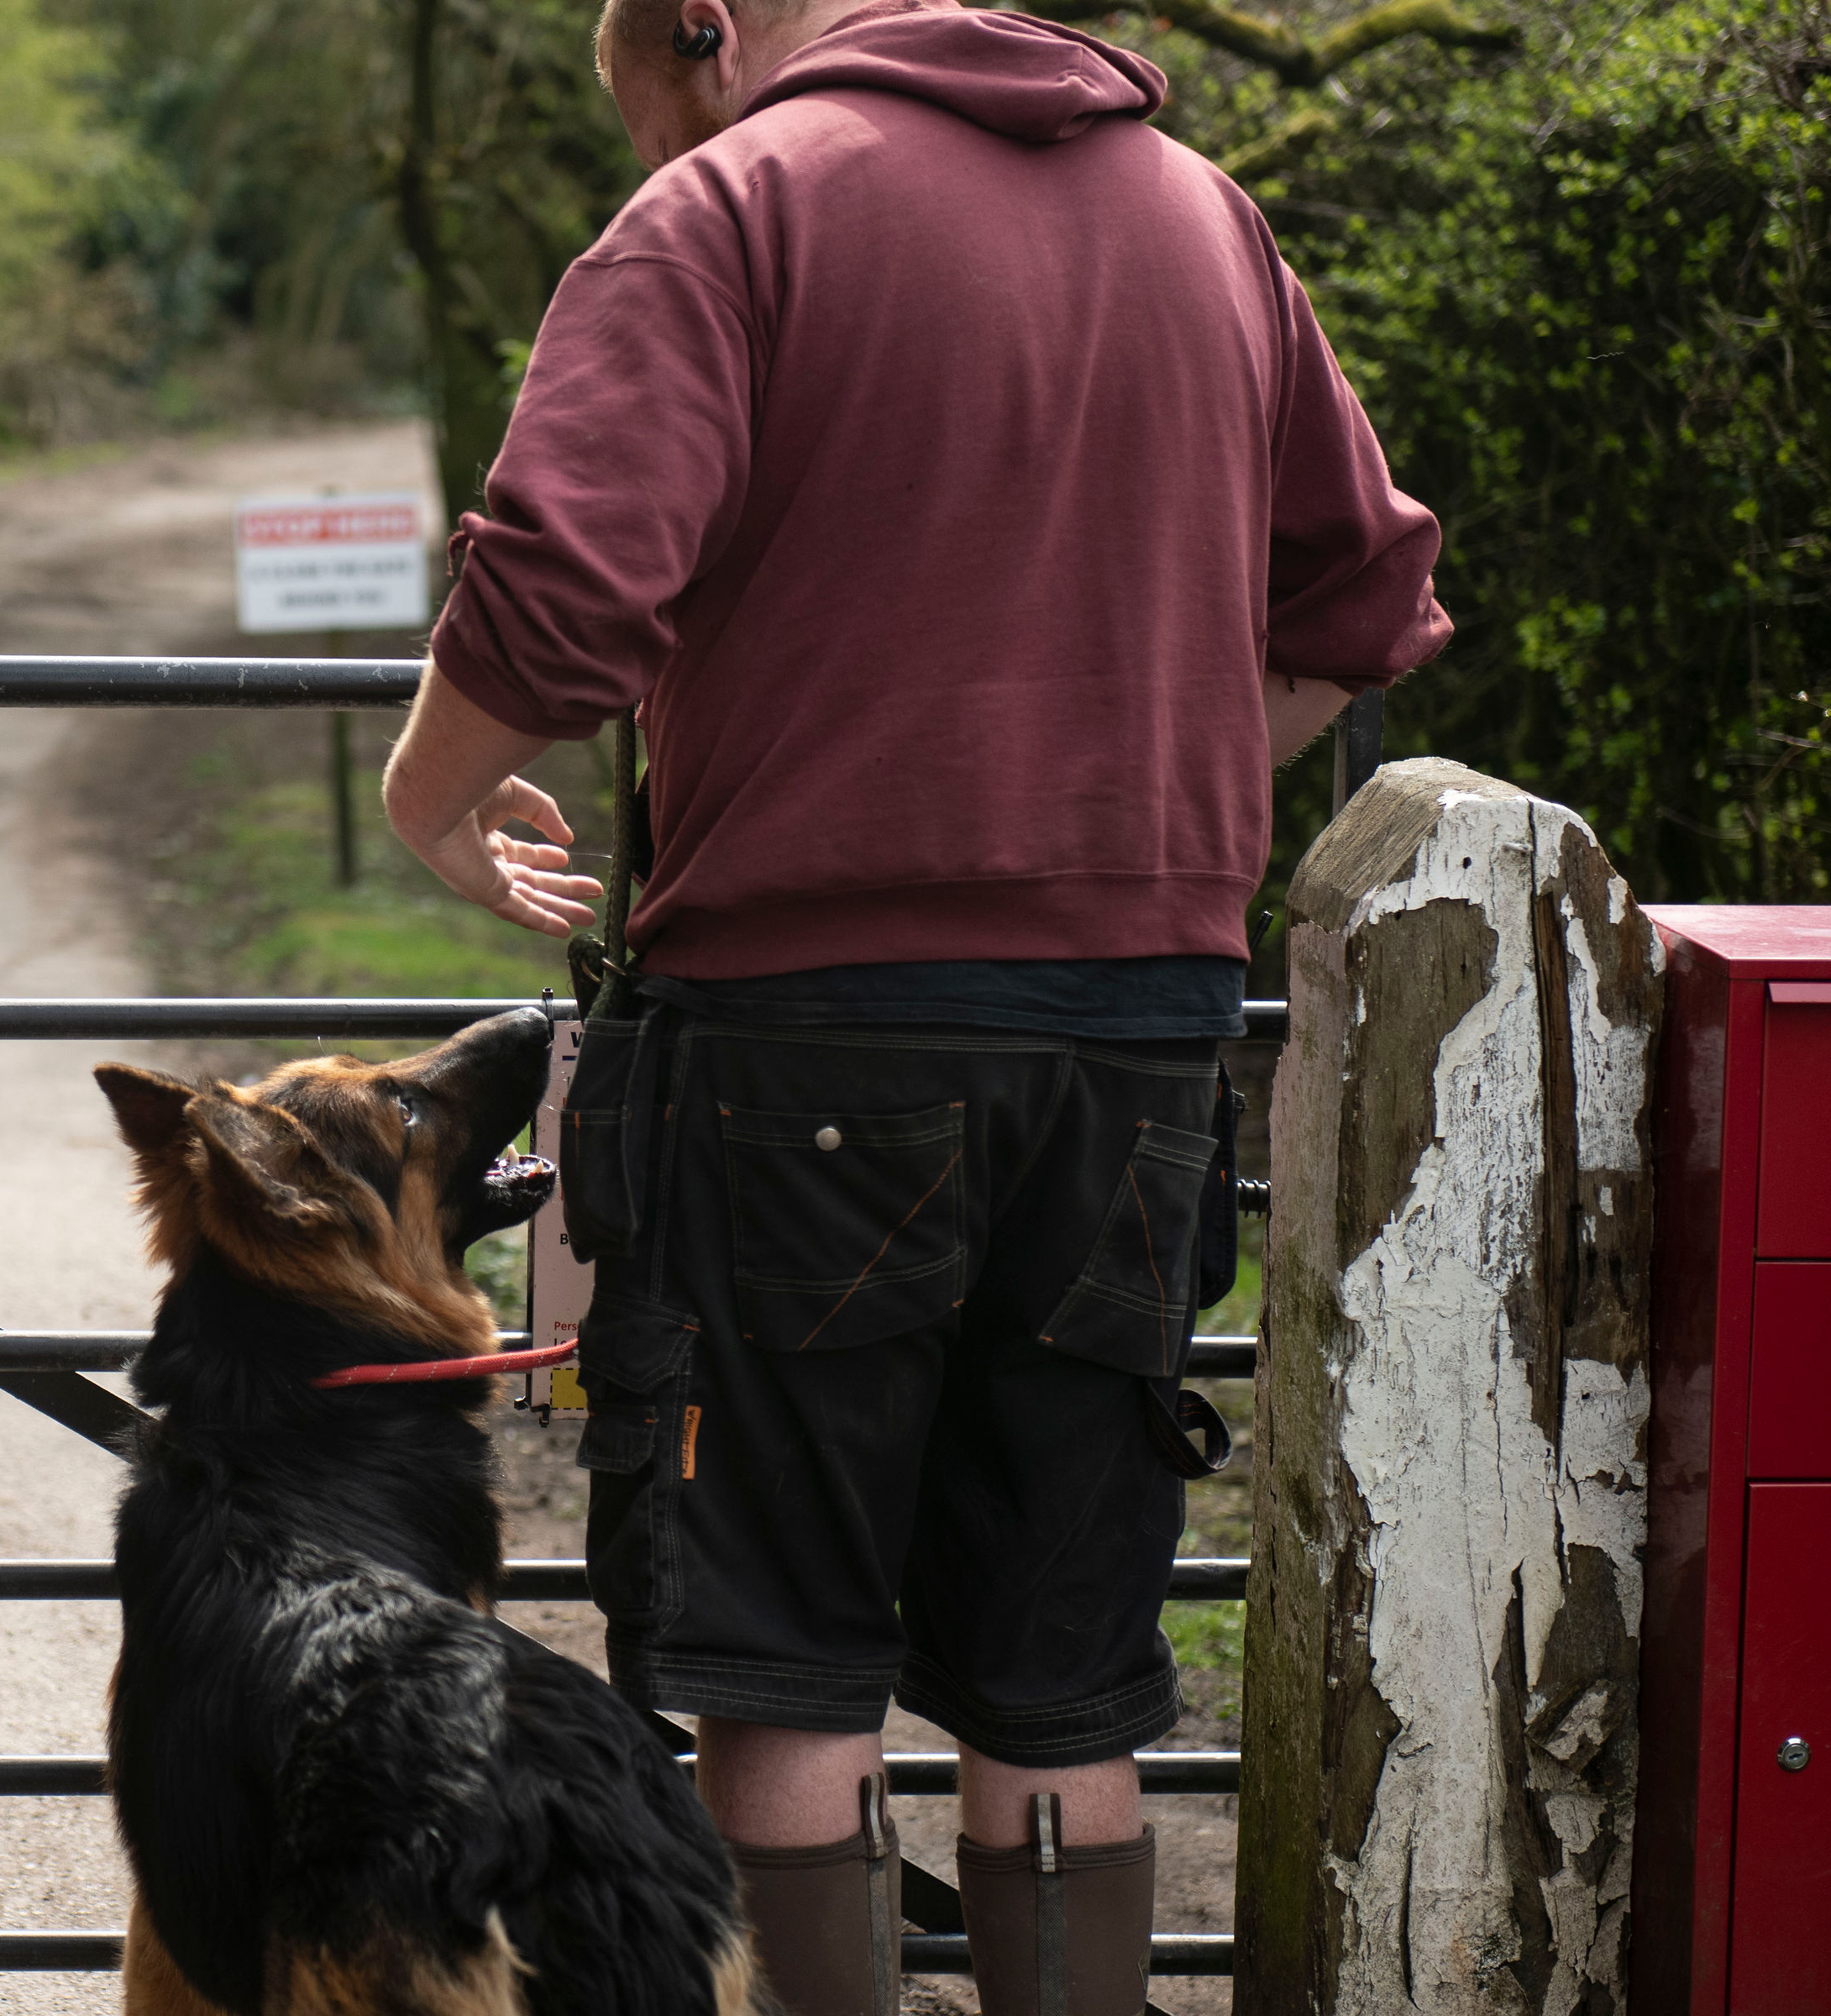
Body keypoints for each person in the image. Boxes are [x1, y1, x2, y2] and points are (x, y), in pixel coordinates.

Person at [380, 1, 1448, 2011]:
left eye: (658, 107)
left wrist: (429, 795)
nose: (667, 147)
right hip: (1135, 1048)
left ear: (701, 26)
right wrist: (1126, 778)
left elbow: (563, 594)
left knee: (783, 1653)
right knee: (1061, 1670)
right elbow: (1362, 604)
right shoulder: (1206, 215)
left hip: (802, 1049)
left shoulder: (731, 212)